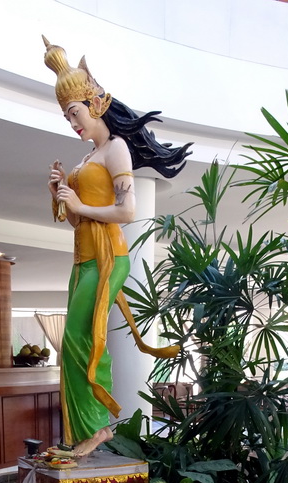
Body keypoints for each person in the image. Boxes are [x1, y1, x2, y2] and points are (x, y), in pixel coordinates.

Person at [43, 37, 189, 457]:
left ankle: (96, 430)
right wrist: (61, 194)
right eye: (67, 116)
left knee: (80, 338)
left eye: (75, 113)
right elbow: (76, 218)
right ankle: (79, 434)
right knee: (75, 341)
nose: (73, 122)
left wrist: (82, 202)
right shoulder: (87, 158)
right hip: (82, 260)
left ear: (95, 103)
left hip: (110, 256)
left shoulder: (117, 149)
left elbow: (127, 212)